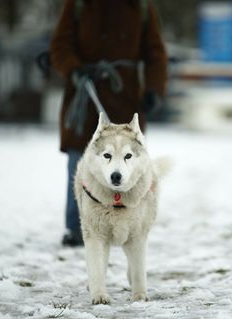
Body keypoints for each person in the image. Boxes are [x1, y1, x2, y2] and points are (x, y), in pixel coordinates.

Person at [50, 0, 168, 246]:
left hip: (126, 100)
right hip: (84, 99)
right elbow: (60, 45)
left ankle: (128, 226)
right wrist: (74, 69)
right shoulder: (79, 4)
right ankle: (77, 227)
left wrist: (154, 90)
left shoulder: (142, 7)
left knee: (127, 163)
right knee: (78, 161)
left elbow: (155, 53)